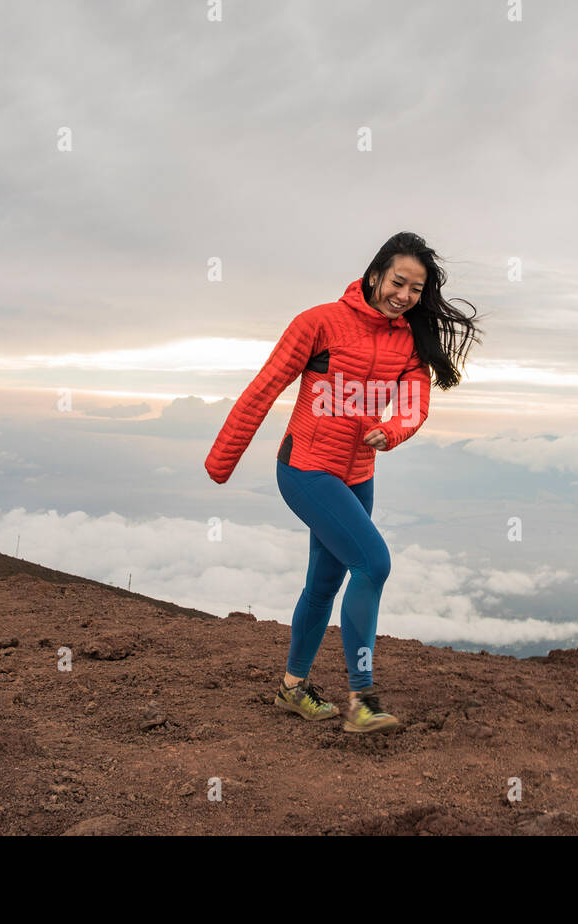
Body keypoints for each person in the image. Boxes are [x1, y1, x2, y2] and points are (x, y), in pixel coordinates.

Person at [205, 232, 482, 733]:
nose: (405, 296)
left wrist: (392, 431)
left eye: (416, 290)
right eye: (398, 282)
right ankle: (362, 699)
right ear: (375, 273)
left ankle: (291, 688)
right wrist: (223, 459)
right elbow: (264, 388)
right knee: (373, 563)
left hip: (358, 475)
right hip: (306, 469)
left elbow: (417, 402)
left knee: (326, 580)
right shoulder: (319, 323)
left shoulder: (409, 340)